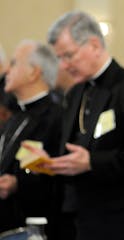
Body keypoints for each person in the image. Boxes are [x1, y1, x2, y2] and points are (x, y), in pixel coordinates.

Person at [44, 11, 124, 240]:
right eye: (60, 58)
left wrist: (92, 162)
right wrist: (50, 162)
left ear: (94, 44)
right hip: (78, 217)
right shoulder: (77, 92)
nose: (64, 65)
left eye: (68, 55)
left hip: (120, 220)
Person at [0, 40, 62, 239]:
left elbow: (56, 178)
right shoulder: (16, 115)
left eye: (15, 63)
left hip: (35, 227)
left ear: (34, 72)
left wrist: (18, 182)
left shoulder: (56, 117)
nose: (7, 70)